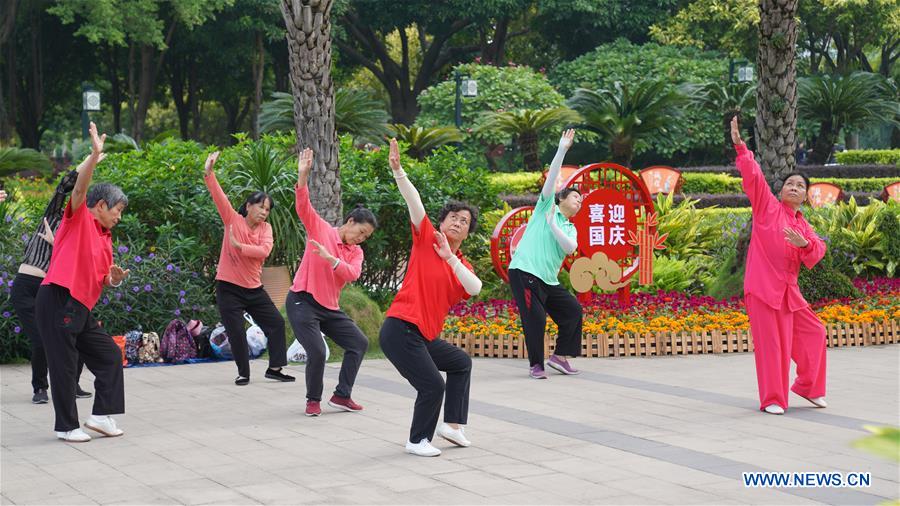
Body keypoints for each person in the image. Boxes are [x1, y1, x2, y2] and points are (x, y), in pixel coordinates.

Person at [379, 138, 482, 457]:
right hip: (401, 328)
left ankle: (452, 425)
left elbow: (475, 288)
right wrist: (399, 172)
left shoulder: (460, 264)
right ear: (442, 222)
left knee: (460, 362)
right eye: (453, 217)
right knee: (433, 385)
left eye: (464, 221)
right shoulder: (426, 238)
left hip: (423, 335)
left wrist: (450, 258)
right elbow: (415, 203)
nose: (457, 222)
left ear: (466, 234)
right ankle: (417, 440)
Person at [35, 122, 130, 442]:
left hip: (78, 307)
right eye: (116, 210)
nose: (118, 216)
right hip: (57, 298)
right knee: (64, 364)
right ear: (100, 205)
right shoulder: (79, 218)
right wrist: (93, 154)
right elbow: (79, 189)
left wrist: (112, 280)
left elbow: (101, 278)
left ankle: (101, 416)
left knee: (109, 356)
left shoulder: (106, 237)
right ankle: (66, 427)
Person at [731, 116, 828, 415]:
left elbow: (818, 250)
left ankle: (808, 386)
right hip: (763, 290)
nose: (795, 188)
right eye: (790, 183)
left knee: (815, 332)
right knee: (773, 346)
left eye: (800, 185)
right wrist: (741, 148)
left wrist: (805, 245)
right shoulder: (767, 207)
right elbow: (755, 178)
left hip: (789, 294)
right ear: (782, 190)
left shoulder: (803, 224)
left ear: (806, 196)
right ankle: (773, 398)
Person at [287, 147, 377, 417]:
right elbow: (303, 207)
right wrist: (303, 176)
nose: (361, 239)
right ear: (350, 222)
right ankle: (312, 400)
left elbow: (352, 274)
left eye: (366, 237)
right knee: (316, 351)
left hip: (329, 307)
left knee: (358, 343)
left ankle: (341, 395)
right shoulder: (322, 230)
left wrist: (331, 259)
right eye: (361, 232)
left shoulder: (356, 252)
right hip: (302, 300)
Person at [12, 157, 98, 404]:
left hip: (52, 288)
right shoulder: (52, 217)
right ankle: (40, 387)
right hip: (27, 287)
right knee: (41, 339)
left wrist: (56, 244)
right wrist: (89, 161)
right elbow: (65, 186)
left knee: (75, 334)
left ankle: (71, 384)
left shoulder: (77, 229)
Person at [203, 151, 292, 386]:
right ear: (249, 205)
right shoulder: (232, 219)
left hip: (254, 289)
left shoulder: (266, 229)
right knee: (236, 332)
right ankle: (244, 373)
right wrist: (209, 172)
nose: (264, 212)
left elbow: (264, 252)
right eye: (261, 207)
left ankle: (275, 368)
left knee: (276, 323)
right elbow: (218, 196)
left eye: (267, 209)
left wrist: (239, 246)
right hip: (229, 288)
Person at [507, 129, 583, 379]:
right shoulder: (545, 206)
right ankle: (536, 365)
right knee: (536, 319)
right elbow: (551, 179)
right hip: (525, 271)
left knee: (572, 310)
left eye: (582, 202)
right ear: (561, 199)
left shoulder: (569, 227)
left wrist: (553, 226)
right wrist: (562, 149)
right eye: (575, 197)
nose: (579, 202)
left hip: (548, 280)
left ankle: (559, 357)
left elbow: (570, 248)